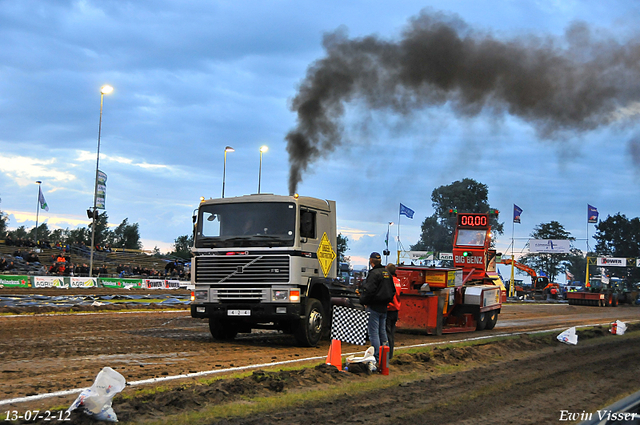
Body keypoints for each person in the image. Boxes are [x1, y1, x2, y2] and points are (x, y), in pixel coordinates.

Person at [359, 252, 396, 363]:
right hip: (384, 307)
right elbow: (392, 291)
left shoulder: (374, 273)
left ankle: (376, 358)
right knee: (382, 332)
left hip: (374, 307)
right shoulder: (387, 273)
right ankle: (385, 358)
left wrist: (363, 301)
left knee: (373, 333)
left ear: (371, 261)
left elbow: (369, 290)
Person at [385, 263, 402, 359]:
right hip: (396, 309)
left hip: (389, 309)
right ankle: (390, 353)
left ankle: (387, 354)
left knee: (386, 333)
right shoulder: (397, 281)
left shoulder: (389, 281)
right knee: (391, 333)